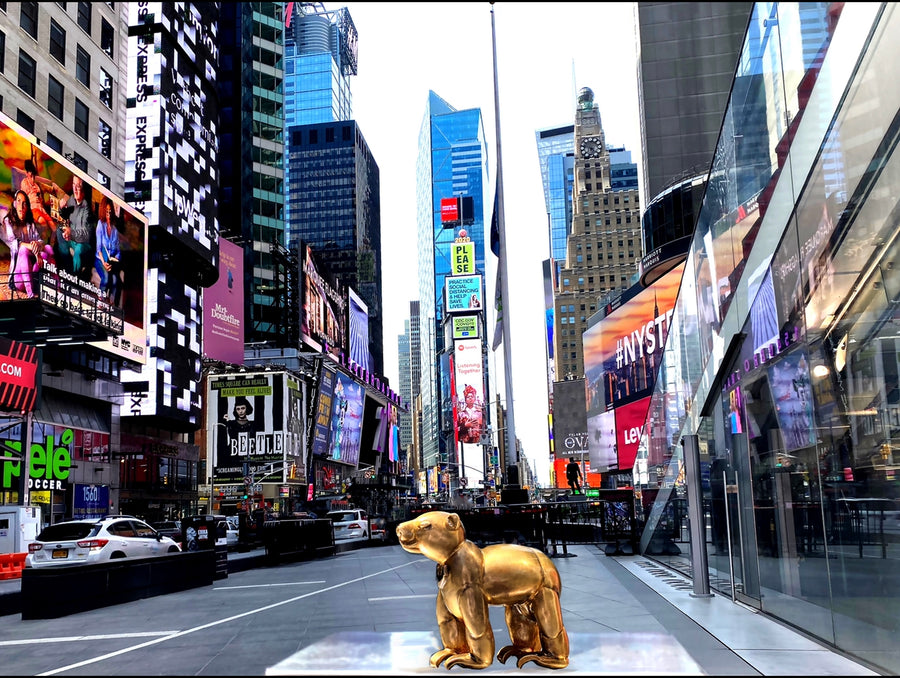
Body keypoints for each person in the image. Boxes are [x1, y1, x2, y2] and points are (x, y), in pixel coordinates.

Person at [2, 190, 53, 299]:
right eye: (19, 201)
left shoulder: (30, 224)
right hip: (18, 278)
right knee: (23, 250)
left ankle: (55, 285)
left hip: (31, 271)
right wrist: (30, 246)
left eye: (24, 203)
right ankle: (30, 294)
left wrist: (36, 245)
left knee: (47, 250)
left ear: (27, 206)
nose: (21, 206)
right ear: (15, 204)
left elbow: (40, 241)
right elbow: (14, 244)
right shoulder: (8, 221)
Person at [58, 175, 95, 281]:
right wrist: (61, 208)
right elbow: (64, 214)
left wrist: (71, 232)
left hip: (84, 243)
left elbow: (85, 235)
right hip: (73, 239)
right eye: (73, 184)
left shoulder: (87, 208)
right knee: (59, 232)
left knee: (78, 250)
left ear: (83, 189)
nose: (74, 188)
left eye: (78, 186)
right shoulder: (72, 200)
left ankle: (75, 280)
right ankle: (67, 269)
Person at [93, 195, 123, 305]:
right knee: (106, 279)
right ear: (103, 211)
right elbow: (99, 248)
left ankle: (112, 304)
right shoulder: (100, 225)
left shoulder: (115, 229)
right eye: (106, 212)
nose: (109, 215)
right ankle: (100, 301)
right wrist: (104, 263)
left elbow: (118, 251)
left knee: (116, 282)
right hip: (100, 260)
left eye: (110, 212)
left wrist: (116, 258)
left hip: (112, 262)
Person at [20, 158, 60, 232]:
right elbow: (23, 198)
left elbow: (51, 189)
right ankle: (42, 241)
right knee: (43, 222)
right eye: (30, 176)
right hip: (33, 208)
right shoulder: (24, 182)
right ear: (26, 174)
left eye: (33, 176)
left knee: (54, 228)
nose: (32, 179)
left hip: (42, 209)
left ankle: (52, 242)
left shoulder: (38, 185)